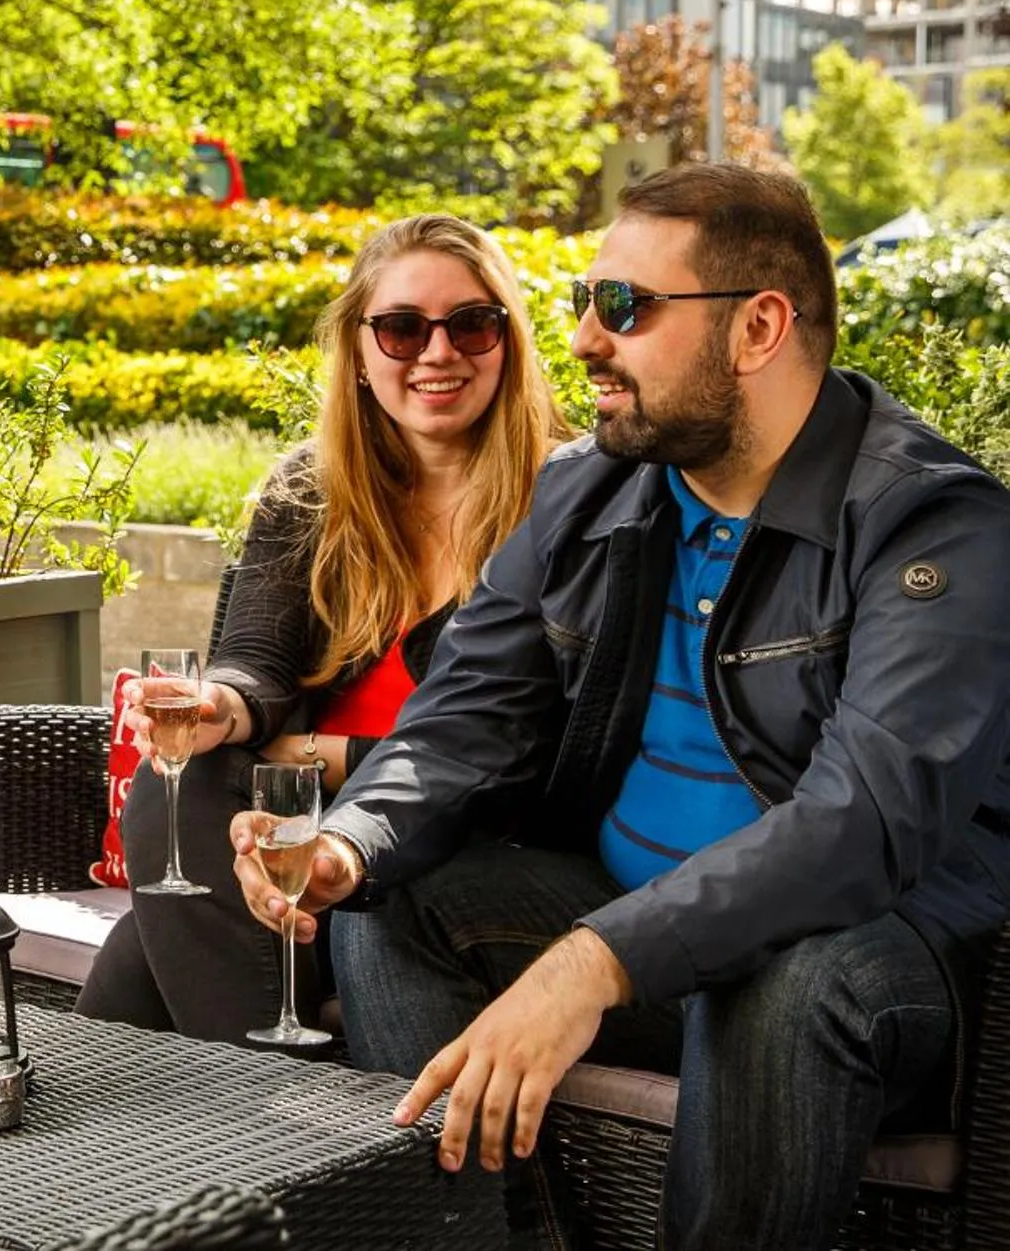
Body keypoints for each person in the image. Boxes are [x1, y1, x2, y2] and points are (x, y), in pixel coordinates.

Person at [233, 164, 1010, 1249]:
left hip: (881, 962)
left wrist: (595, 958)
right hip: (625, 915)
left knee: (779, 974)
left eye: (626, 308)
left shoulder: (929, 523)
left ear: (758, 327)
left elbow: (859, 829)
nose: (588, 341)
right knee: (394, 900)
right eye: (584, 304)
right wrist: (347, 845)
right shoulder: (585, 489)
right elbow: (463, 718)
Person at [77, 213, 568, 1041]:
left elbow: (514, 749)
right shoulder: (312, 489)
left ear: (509, 341)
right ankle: (272, 1128)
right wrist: (223, 708)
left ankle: (231, 1140)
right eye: (403, 328)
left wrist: (311, 755)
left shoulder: (564, 498)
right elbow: (255, 659)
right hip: (284, 850)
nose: (438, 352)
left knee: (147, 945)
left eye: (472, 324)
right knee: (188, 788)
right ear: (361, 353)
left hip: (452, 850)